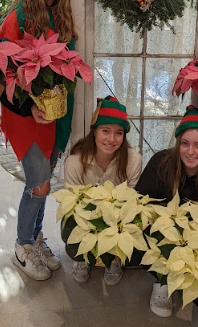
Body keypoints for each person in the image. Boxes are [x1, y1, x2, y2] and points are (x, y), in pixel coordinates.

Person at [0, 0, 76, 281]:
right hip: (24, 116)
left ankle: (36, 237)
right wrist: (31, 108)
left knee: (44, 179)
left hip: (54, 114)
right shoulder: (17, 18)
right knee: (39, 183)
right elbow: (2, 75)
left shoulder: (62, 16)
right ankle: (21, 246)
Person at [136, 107, 198, 327]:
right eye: (185, 143)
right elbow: (139, 204)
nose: (190, 151)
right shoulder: (160, 164)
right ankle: (162, 282)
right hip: (164, 239)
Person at [64, 96, 142, 285]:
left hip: (118, 220)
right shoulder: (75, 162)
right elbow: (72, 205)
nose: (111, 139)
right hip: (85, 218)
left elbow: (132, 203)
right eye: (105, 131)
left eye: (118, 133)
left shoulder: (133, 160)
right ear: (94, 132)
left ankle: (114, 262)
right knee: (71, 239)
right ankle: (83, 259)